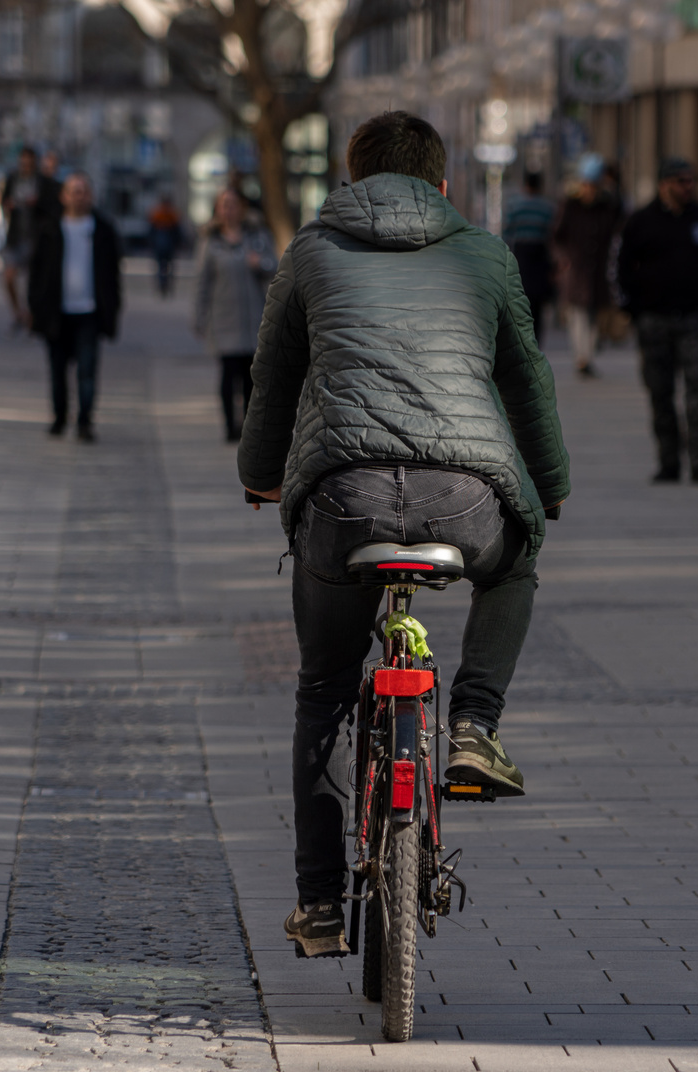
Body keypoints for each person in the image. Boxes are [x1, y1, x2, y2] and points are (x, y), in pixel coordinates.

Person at [236, 111, 569, 959]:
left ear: (349, 180)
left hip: (340, 500)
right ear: (442, 184)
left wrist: (258, 475)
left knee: (323, 691)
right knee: (518, 557)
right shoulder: (487, 255)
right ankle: (472, 726)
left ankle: (316, 904)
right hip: (465, 499)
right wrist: (551, 489)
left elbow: (271, 379)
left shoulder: (310, 253)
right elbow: (527, 384)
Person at [616, 156, 698, 484]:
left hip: (695, 319)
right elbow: (622, 266)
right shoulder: (641, 221)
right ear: (664, 184)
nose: (688, 187)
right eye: (681, 181)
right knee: (660, 394)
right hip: (654, 321)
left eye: (691, 180)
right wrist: (632, 308)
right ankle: (669, 462)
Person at [28, 173, 123, 443]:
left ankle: (84, 421)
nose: (78, 196)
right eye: (73, 191)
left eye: (83, 191)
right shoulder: (50, 228)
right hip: (57, 312)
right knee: (57, 371)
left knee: (87, 370)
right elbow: (37, 272)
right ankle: (59, 417)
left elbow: (113, 274)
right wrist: (35, 307)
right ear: (63, 196)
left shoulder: (102, 229)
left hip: (89, 313)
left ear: (90, 196)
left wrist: (113, 309)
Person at [195, 188, 276, 442]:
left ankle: (250, 428)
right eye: (223, 205)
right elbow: (202, 283)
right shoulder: (211, 241)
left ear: (242, 208)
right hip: (224, 319)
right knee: (229, 375)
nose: (228, 209)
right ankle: (230, 426)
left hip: (254, 319)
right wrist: (199, 317)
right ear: (217, 209)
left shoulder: (258, 236)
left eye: (233, 204)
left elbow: (276, 268)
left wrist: (259, 264)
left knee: (251, 378)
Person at [551, 153, 621, 377]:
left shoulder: (608, 206)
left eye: (594, 185)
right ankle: (583, 358)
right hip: (576, 269)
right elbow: (556, 237)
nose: (590, 189)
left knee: (595, 315)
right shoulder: (570, 206)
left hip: (599, 269)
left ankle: (587, 354)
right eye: (587, 185)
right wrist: (562, 260)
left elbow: (618, 230)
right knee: (578, 315)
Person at [502, 171, 555, 345]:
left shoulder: (515, 206)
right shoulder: (547, 207)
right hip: (540, 256)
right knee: (538, 303)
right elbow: (552, 235)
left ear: (525, 185)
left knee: (521, 298)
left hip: (521, 256)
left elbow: (507, 233)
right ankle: (536, 340)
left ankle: (523, 337)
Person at [2, 147, 47, 328]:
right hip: (15, 236)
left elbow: (47, 205)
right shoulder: (13, 178)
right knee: (9, 277)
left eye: (29, 163)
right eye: (23, 163)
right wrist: (9, 204)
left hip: (34, 237)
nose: (26, 166)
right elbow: (3, 201)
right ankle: (19, 312)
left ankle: (31, 315)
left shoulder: (41, 181)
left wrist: (36, 203)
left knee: (33, 280)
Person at [147, 193, 184, 298]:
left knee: (160, 267)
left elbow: (151, 231)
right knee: (170, 268)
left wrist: (151, 244)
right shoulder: (172, 215)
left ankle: (162, 285)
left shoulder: (156, 214)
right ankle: (167, 285)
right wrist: (179, 243)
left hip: (159, 247)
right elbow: (178, 232)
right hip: (170, 247)